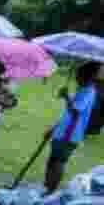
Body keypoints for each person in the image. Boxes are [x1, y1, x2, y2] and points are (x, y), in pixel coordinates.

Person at [43, 62, 100, 193]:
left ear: (87, 76)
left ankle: (50, 190)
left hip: (69, 134)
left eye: (79, 75)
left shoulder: (89, 92)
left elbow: (75, 111)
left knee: (58, 162)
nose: (76, 78)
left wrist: (66, 97)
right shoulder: (81, 90)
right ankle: (46, 187)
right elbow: (67, 114)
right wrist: (54, 128)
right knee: (52, 161)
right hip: (62, 131)